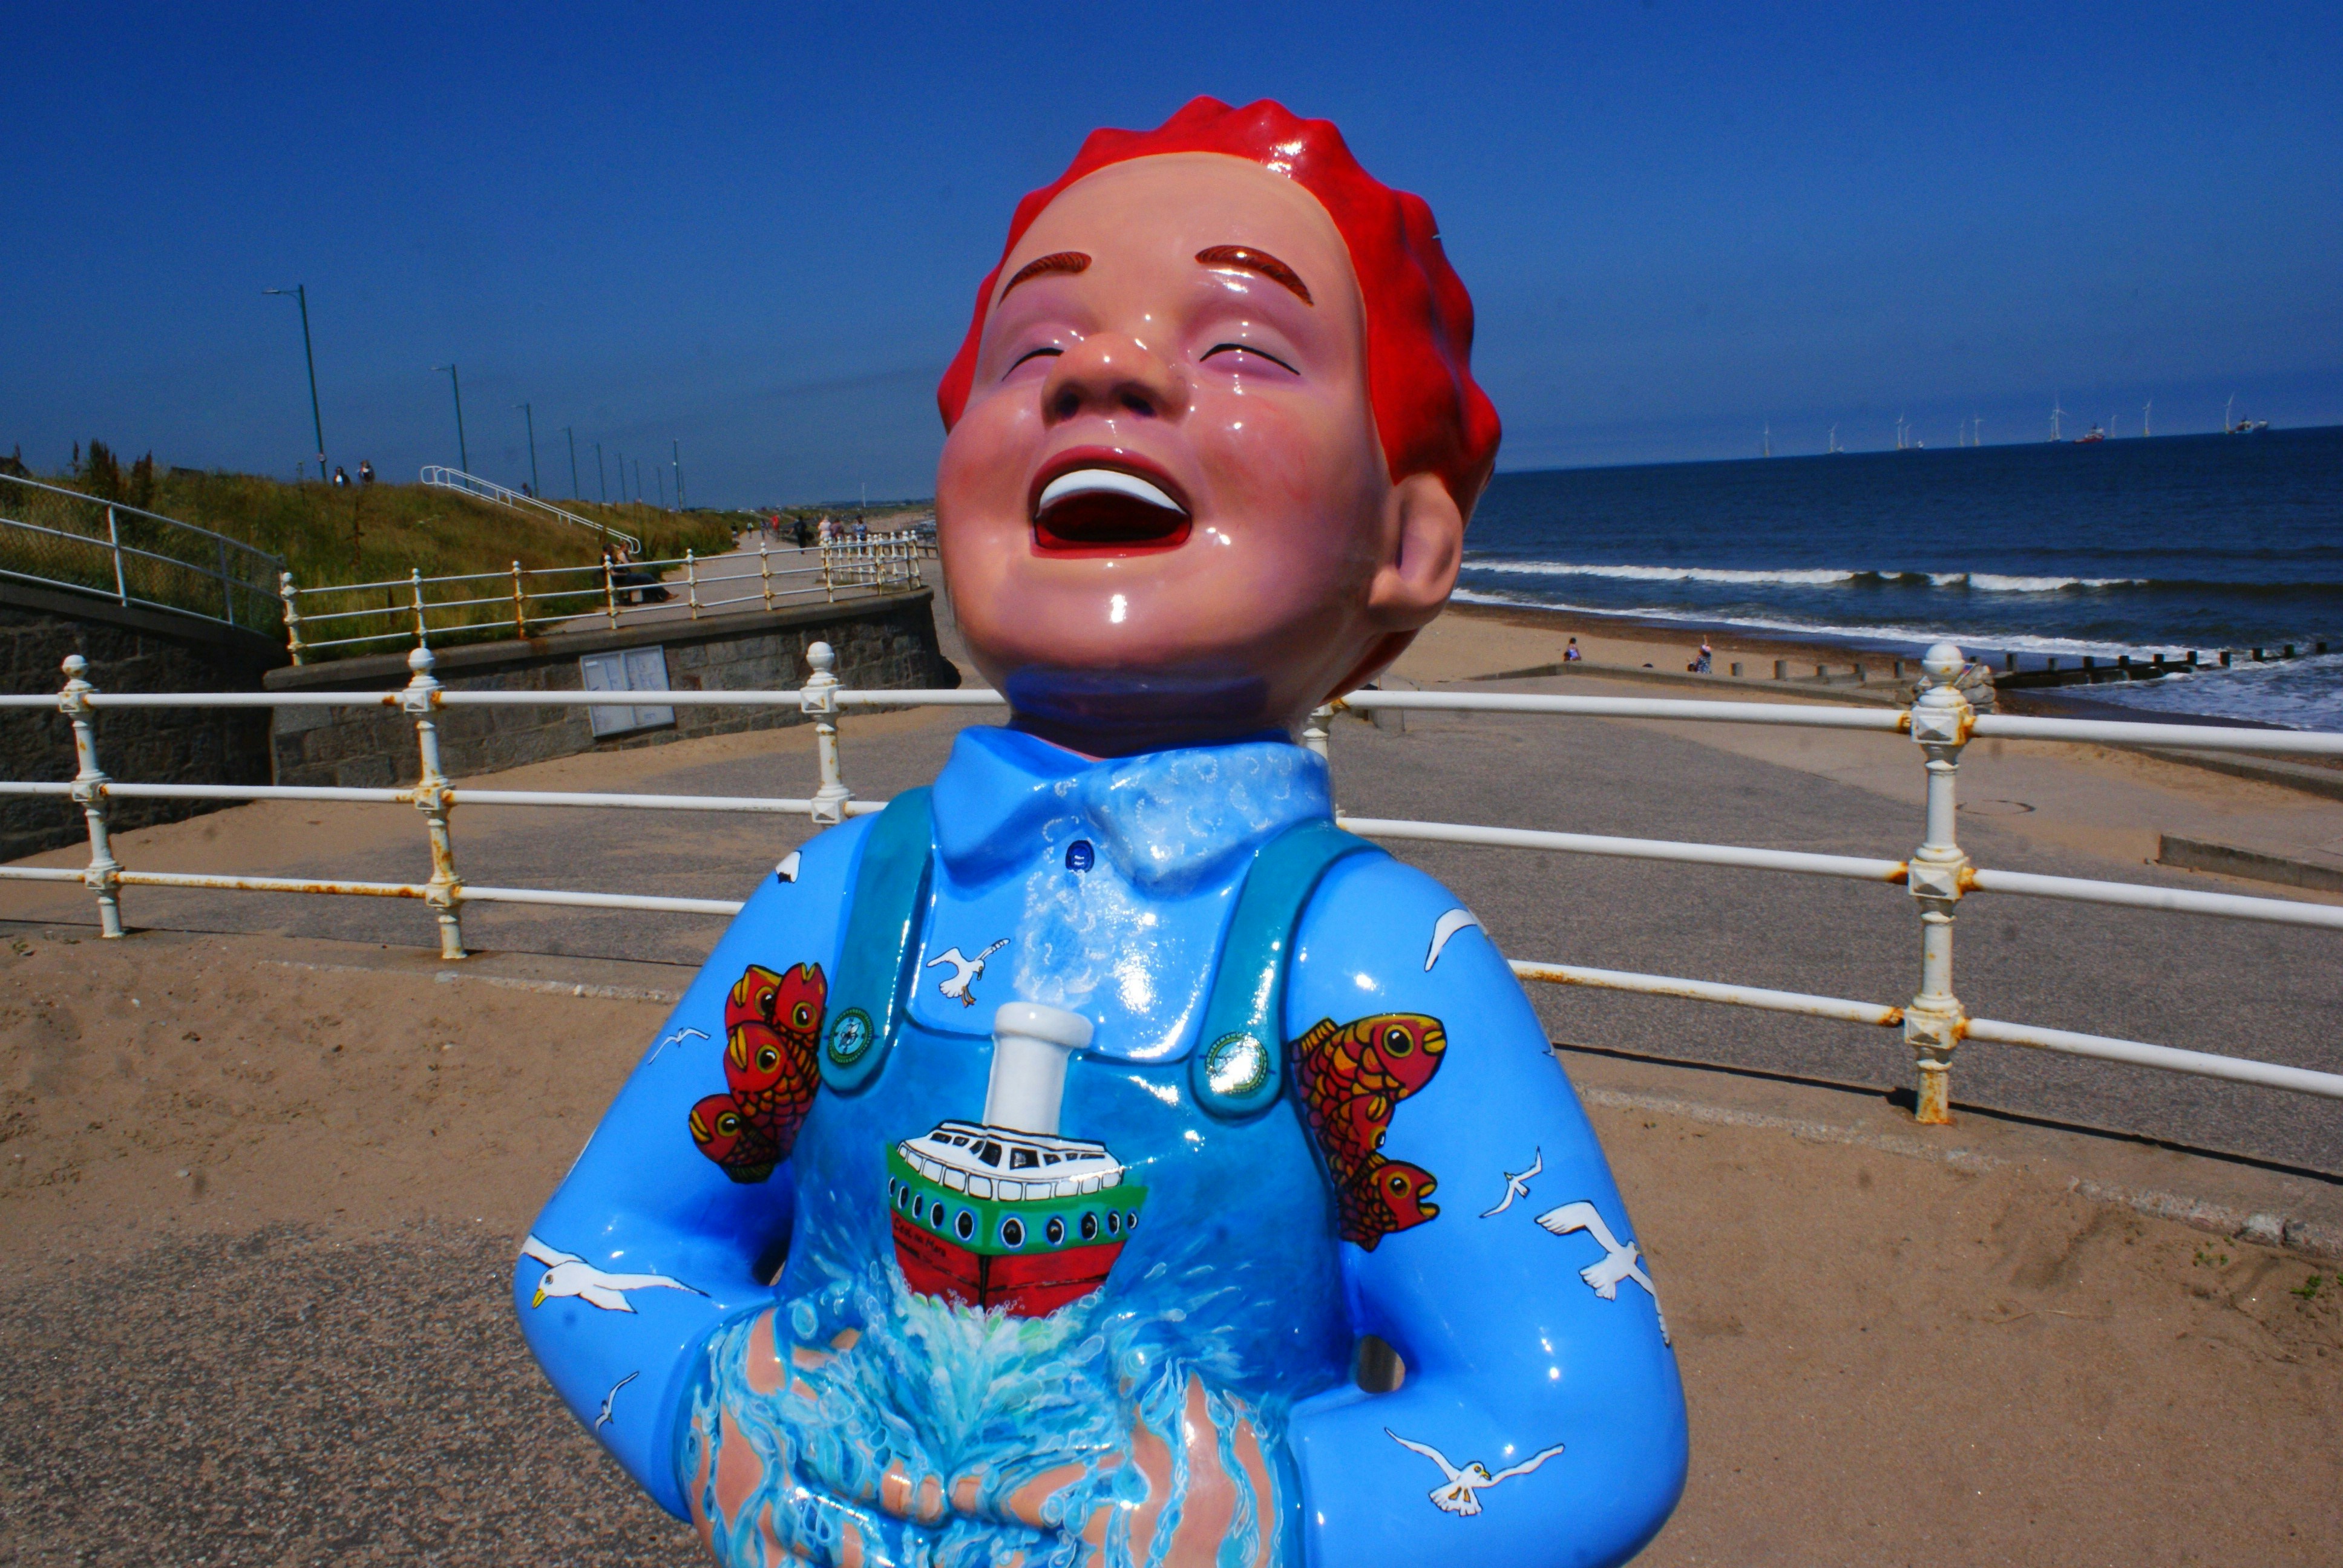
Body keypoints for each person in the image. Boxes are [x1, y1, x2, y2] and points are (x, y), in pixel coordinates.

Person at [518, 97, 1684, 1568]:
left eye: (1241, 345)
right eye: (1033, 350)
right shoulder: (841, 906)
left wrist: (1253, 1515)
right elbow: (595, 1254)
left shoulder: (1365, 961)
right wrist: (724, 1411)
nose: (1108, 370)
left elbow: (1580, 1420)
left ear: (1408, 541)